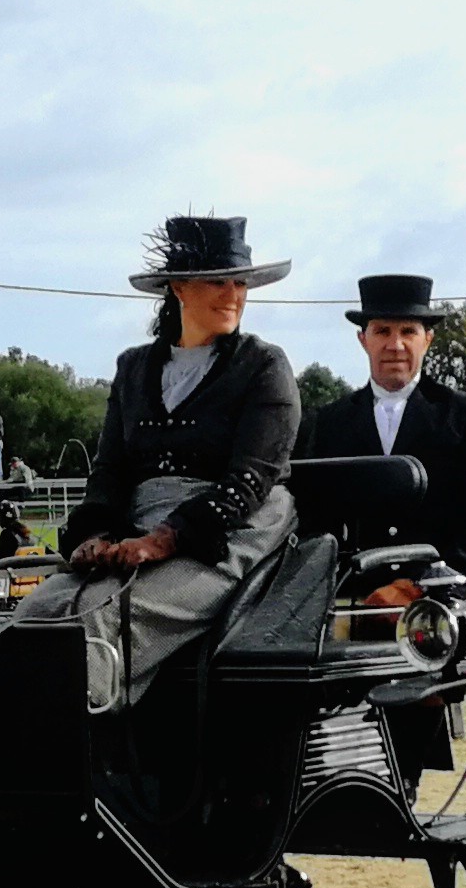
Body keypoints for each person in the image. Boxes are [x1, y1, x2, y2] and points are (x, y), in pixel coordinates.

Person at [19, 213, 303, 714]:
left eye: (240, 282)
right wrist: (94, 535)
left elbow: (250, 478)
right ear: (178, 287)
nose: (233, 294)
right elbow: (109, 471)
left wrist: (165, 538)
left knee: (102, 620)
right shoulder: (135, 368)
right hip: (141, 525)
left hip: (231, 531)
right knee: (36, 612)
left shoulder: (264, 365)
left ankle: (89, 765)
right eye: (217, 281)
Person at [293, 274, 466, 597]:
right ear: (363, 339)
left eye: (408, 331)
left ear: (427, 339)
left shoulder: (465, 414)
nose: (394, 345)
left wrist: (418, 588)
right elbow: (311, 521)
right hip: (354, 600)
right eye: (382, 331)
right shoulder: (329, 422)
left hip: (444, 601)